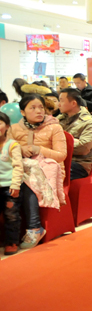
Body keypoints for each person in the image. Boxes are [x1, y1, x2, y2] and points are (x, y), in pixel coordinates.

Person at [9, 94, 68, 249]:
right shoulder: (14, 129)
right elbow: (5, 151)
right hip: (20, 168)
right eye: (33, 108)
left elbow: (61, 155)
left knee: (28, 181)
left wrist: (39, 149)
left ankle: (34, 228)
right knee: (13, 179)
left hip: (48, 171)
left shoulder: (54, 127)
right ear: (22, 112)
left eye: (41, 107)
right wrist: (20, 149)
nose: (38, 111)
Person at [57, 88, 92, 180]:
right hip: (60, 159)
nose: (58, 104)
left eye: (61, 101)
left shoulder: (89, 122)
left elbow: (83, 148)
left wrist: (58, 143)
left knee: (50, 173)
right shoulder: (60, 119)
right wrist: (72, 141)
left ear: (73, 103)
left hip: (79, 164)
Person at [0, 111, 23, 255]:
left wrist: (15, 184)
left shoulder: (12, 145)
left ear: (7, 126)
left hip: (9, 187)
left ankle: (12, 242)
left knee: (11, 215)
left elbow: (18, 166)